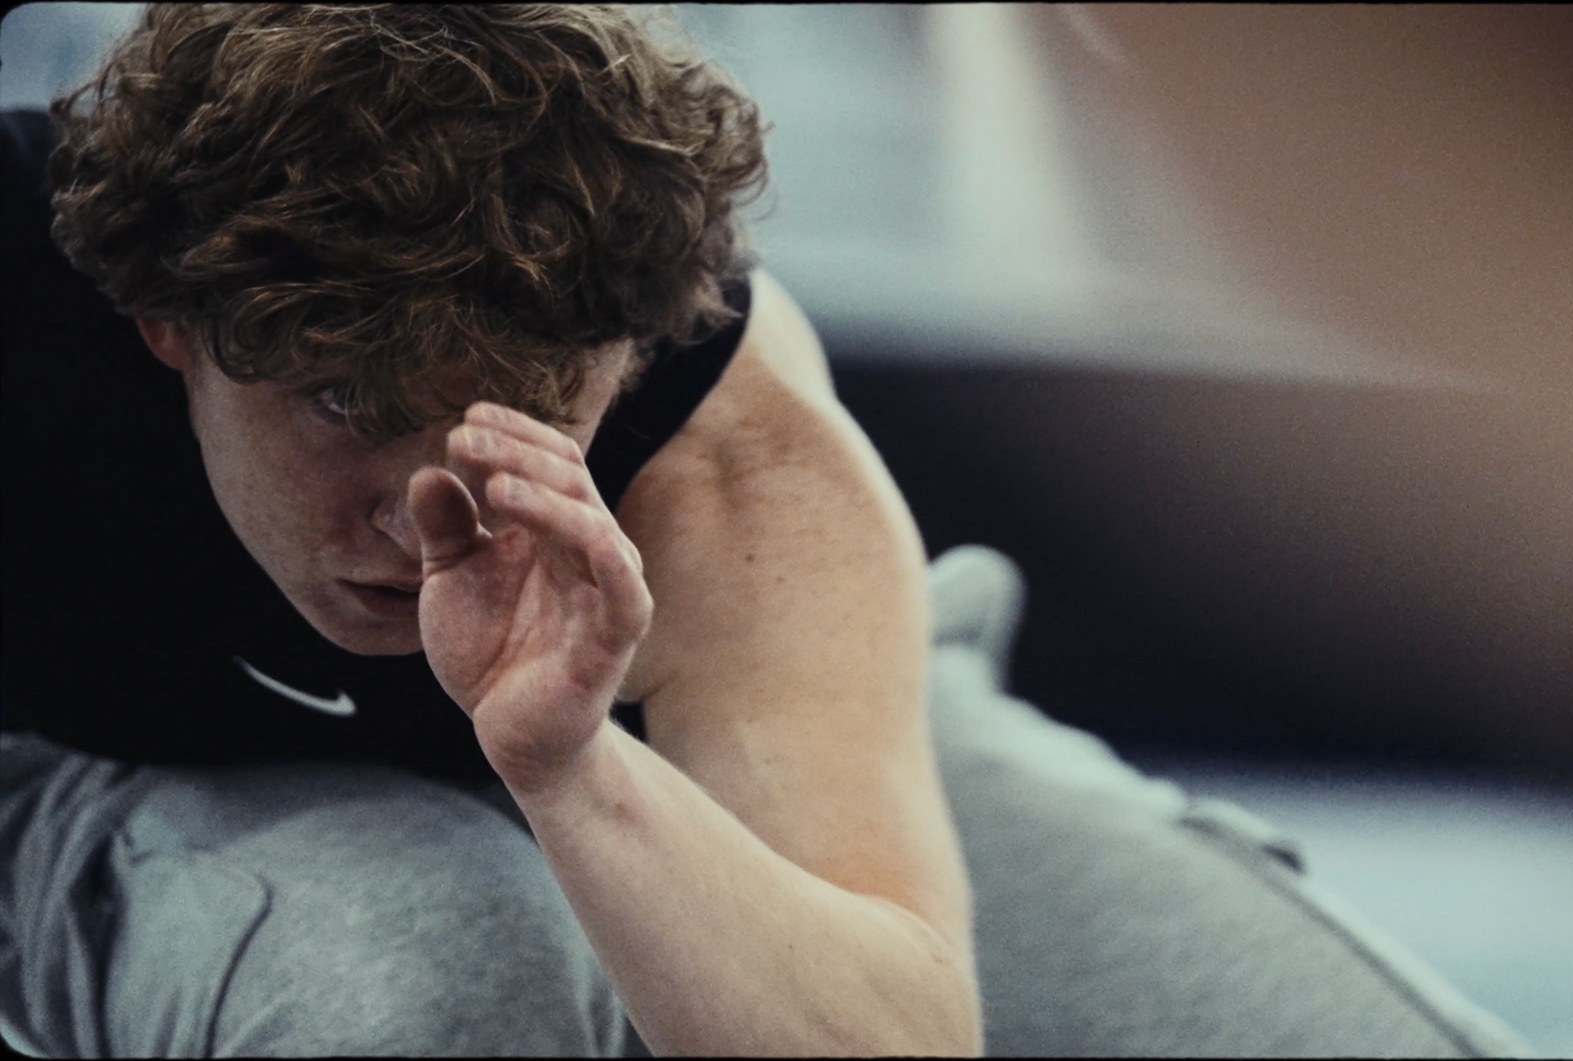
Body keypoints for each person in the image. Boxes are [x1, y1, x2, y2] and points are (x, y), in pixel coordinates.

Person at [1, 4, 980, 1056]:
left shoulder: (723, 458)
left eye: (516, 418)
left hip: (671, 749)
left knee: (1112, 977)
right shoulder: (30, 298)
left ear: (625, 360)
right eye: (345, 402)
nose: (426, 519)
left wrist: (576, 770)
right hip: (92, 762)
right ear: (168, 320)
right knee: (445, 964)